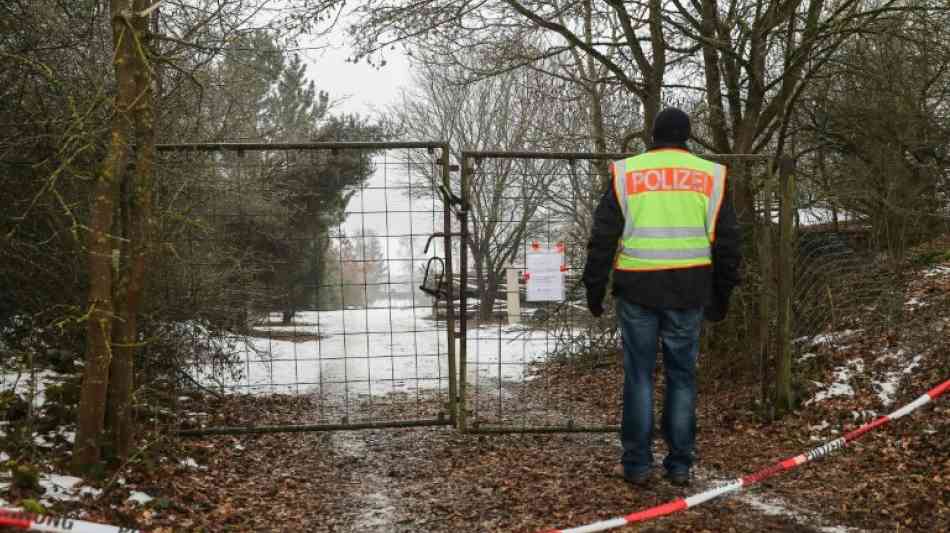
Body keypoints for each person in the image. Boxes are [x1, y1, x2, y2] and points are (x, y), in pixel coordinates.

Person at [582, 107, 741, 487]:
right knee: (682, 377)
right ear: (687, 136)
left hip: (637, 287)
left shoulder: (627, 172)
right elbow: (729, 243)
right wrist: (722, 293)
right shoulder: (711, 176)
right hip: (689, 289)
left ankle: (637, 465)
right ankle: (680, 465)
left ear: (653, 135)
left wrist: (594, 286)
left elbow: (603, 235)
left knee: (639, 376)